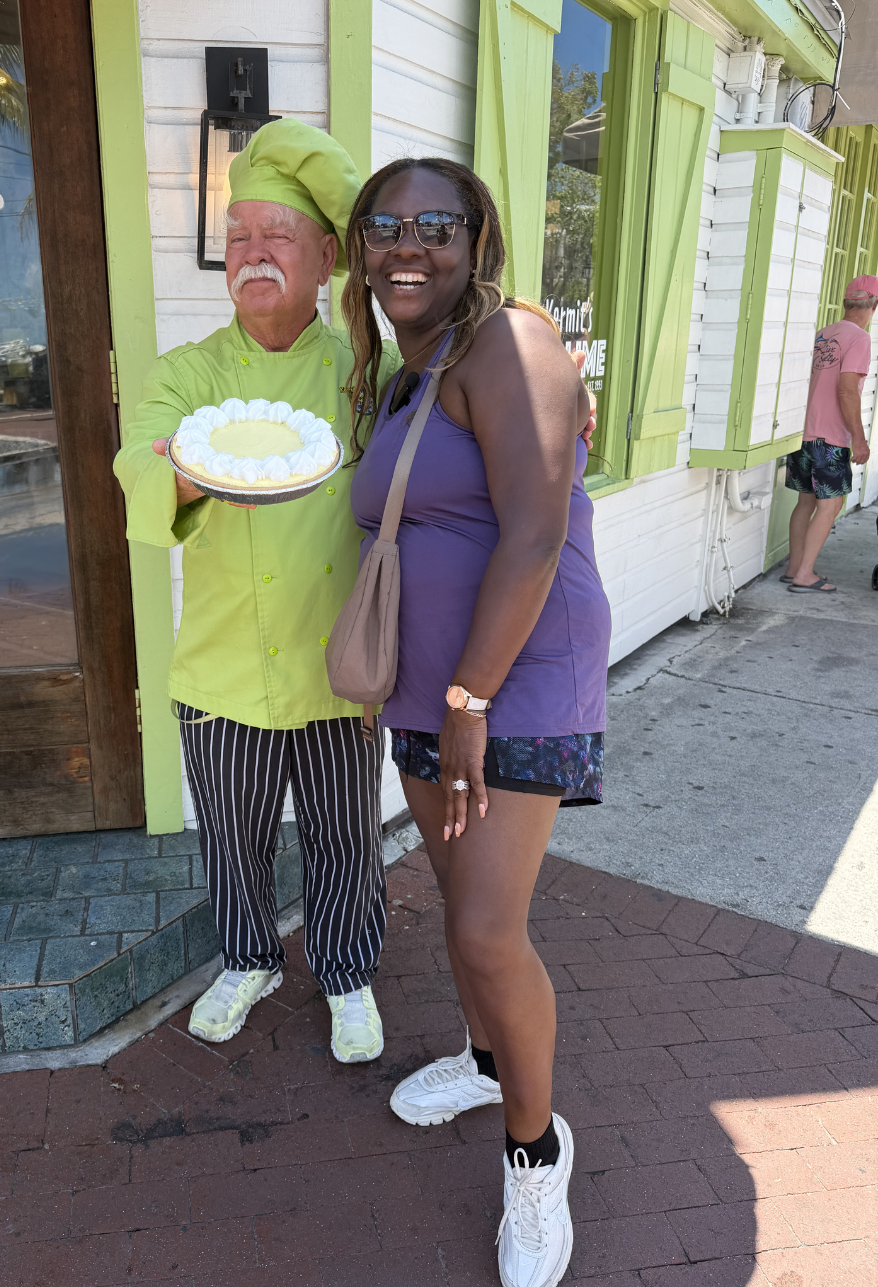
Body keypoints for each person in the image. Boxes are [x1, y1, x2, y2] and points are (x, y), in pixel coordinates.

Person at [345, 158, 610, 1287]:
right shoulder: (407, 373)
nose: (408, 246)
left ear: (477, 240)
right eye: (384, 226)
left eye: (434, 226)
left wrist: (469, 702)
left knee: (489, 931)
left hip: (506, 685)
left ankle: (536, 1157)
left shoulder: (511, 342)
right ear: (360, 249)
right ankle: (488, 1058)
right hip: (431, 686)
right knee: (461, 912)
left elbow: (536, 534)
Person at [113, 119, 401, 1063]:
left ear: (326, 257)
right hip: (223, 671)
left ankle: (348, 971)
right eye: (238, 237)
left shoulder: (369, 374)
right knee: (230, 844)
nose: (253, 254)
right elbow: (136, 468)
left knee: (344, 840)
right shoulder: (189, 375)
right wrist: (196, 467)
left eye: (278, 236)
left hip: (337, 668)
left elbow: (465, 418)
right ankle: (248, 959)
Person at [784, 274, 877, 592]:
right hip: (830, 437)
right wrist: (859, 439)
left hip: (804, 432)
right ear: (874, 306)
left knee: (805, 501)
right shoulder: (860, 339)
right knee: (832, 504)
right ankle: (804, 575)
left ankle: (794, 567)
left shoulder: (823, 334)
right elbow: (848, 390)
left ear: (846, 302)